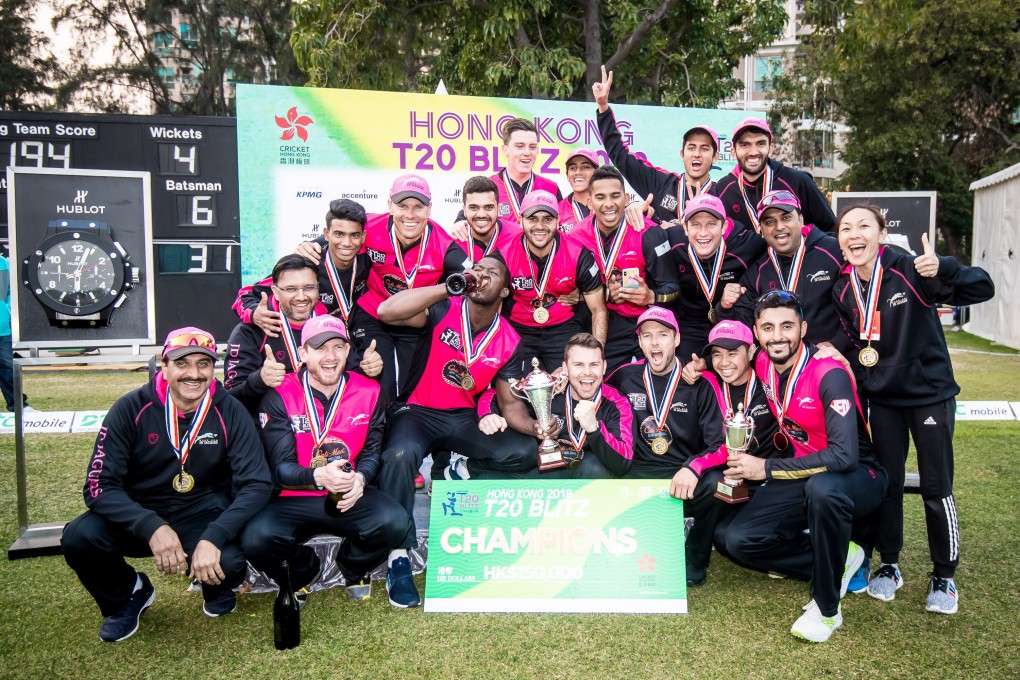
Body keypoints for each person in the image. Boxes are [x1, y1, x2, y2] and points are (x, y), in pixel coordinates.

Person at [831, 204, 994, 614]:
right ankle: (890, 564)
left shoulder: (909, 268)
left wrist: (945, 268)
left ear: (881, 234)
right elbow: (858, 345)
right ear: (839, 240)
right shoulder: (842, 287)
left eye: (864, 225)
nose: (855, 234)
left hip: (928, 395)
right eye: (846, 228)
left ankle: (944, 575)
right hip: (882, 400)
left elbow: (983, 289)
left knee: (936, 486)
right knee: (887, 484)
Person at [61, 327, 272, 642]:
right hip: (139, 510)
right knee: (79, 537)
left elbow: (257, 483)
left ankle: (214, 587)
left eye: (203, 364)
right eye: (182, 363)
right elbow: (98, 485)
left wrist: (213, 536)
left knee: (228, 562)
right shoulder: (131, 408)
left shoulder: (229, 409)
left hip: (201, 509)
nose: (194, 373)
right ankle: (127, 595)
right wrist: (150, 526)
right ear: (164, 365)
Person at [721, 291, 887, 643]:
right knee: (735, 540)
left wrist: (765, 469)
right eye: (767, 327)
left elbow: (844, 457)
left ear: (803, 328)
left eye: (787, 326)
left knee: (823, 489)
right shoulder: (763, 363)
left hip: (858, 475)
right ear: (756, 334)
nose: (777, 335)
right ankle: (842, 556)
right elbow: (730, 364)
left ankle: (827, 610)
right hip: (803, 470)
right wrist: (698, 366)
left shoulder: (829, 373)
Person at [375, 255, 531, 607]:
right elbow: (387, 312)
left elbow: (510, 407)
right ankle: (398, 557)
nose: (481, 276)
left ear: (505, 290)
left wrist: (540, 429)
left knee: (521, 452)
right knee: (399, 455)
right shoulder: (443, 306)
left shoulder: (509, 338)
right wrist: (447, 286)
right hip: (417, 410)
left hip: (462, 417)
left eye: (491, 273)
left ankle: (451, 471)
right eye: (477, 269)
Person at [243, 315, 412, 606]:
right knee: (256, 539)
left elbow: (372, 453)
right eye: (319, 348)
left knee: (395, 522)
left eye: (338, 346)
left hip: (346, 493)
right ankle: (304, 570)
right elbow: (280, 468)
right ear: (303, 353)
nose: (330, 356)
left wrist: (361, 479)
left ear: (348, 351)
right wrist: (317, 477)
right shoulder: (279, 394)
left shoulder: (370, 391)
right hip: (292, 496)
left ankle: (353, 565)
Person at [605, 308, 726, 585]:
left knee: (716, 482)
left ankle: (695, 560)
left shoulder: (701, 382)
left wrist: (693, 468)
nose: (655, 343)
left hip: (681, 476)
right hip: (636, 473)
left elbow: (720, 444)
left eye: (662, 335)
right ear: (639, 342)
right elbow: (594, 395)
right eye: (647, 336)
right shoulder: (625, 376)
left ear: (677, 339)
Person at [568, 165, 679, 372]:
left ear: (626, 199)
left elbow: (673, 288)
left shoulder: (648, 232)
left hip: (642, 324)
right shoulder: (576, 237)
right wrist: (605, 293)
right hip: (599, 325)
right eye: (600, 197)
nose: (609, 204)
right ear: (590, 202)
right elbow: (571, 293)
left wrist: (651, 296)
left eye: (615, 196)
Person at [236, 199, 371, 358]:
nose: (347, 243)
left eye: (354, 235)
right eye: (339, 234)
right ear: (326, 234)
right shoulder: (308, 261)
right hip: (316, 344)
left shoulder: (368, 258)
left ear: (362, 237)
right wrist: (252, 313)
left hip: (351, 339)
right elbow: (246, 294)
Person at [716, 190, 845, 351]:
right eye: (770, 222)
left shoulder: (834, 251)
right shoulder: (756, 272)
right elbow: (742, 327)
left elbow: (859, 306)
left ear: (801, 219)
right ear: (761, 229)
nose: (779, 227)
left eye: (786, 218)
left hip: (830, 357)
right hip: (780, 364)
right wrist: (725, 307)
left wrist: (838, 343)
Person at [593, 65, 719, 223]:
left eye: (705, 148)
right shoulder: (661, 183)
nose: (697, 153)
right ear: (682, 154)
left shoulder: (722, 193)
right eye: (691, 147)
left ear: (715, 157)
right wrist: (603, 107)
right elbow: (620, 155)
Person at [502, 190, 608, 371]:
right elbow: (492, 310)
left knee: (571, 383)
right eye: (532, 219)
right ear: (520, 220)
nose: (540, 226)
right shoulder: (504, 255)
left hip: (563, 329)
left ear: (558, 221)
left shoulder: (577, 254)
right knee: (516, 389)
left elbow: (598, 309)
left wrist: (594, 362)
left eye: (547, 219)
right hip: (520, 330)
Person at [510, 333, 634, 479]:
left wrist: (594, 429)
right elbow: (500, 397)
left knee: (594, 468)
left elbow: (623, 463)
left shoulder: (617, 402)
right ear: (565, 368)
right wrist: (488, 415)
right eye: (578, 365)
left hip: (588, 478)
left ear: (604, 367)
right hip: (548, 474)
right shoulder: (547, 392)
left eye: (594, 364)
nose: (587, 372)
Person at [223, 254, 332, 412]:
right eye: (291, 289)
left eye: (309, 288)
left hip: (325, 424)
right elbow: (231, 398)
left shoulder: (331, 325)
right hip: (269, 428)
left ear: (318, 288)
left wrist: (367, 366)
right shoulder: (250, 331)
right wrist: (259, 380)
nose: (301, 297)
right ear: (275, 291)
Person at [665, 194, 765, 359]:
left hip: (728, 322)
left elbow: (780, 238)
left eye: (711, 224)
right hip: (690, 325)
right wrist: (636, 209)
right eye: (696, 225)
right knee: (684, 371)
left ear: (724, 226)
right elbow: (643, 234)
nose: (703, 233)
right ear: (685, 228)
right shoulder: (671, 240)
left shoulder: (746, 244)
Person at [712, 118, 835, 233]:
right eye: (745, 144)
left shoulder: (798, 181)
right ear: (733, 152)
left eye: (760, 143)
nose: (753, 152)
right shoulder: (723, 188)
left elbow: (831, 229)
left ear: (770, 148)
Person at [490, 117, 563, 223]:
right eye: (520, 146)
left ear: (537, 150)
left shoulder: (550, 188)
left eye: (532, 147)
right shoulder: (489, 187)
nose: (527, 152)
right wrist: (459, 224)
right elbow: (465, 220)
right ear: (505, 150)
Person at [449, 176, 523, 263]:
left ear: (498, 209)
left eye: (488, 207)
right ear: (464, 210)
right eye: (474, 207)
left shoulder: (519, 236)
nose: (481, 214)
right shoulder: (451, 243)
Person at [0, 253, 32, 412]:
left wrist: (7, 313)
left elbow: (10, 293)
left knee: (7, 367)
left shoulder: (3, 263)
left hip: (2, 327)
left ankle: (18, 406)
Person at [557, 148, 600, 233]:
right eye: (573, 168)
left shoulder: (609, 206)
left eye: (585, 167)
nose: (578, 172)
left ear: (597, 173)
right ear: (567, 175)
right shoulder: (557, 211)